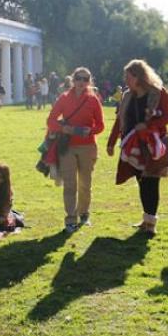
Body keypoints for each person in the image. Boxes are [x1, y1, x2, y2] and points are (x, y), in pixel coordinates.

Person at [107, 59, 168, 238]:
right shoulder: (128, 95)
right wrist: (111, 142)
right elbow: (119, 119)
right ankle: (146, 219)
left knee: (151, 182)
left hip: (152, 144)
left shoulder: (158, 93)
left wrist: (148, 125)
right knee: (141, 181)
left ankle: (151, 223)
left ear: (139, 76)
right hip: (132, 145)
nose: (126, 79)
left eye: (128, 76)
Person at [46, 67, 105, 233]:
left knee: (85, 184)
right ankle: (70, 219)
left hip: (87, 146)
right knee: (70, 184)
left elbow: (100, 126)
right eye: (78, 78)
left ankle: (84, 214)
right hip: (68, 146)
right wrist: (65, 129)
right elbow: (50, 121)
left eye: (85, 79)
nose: (81, 82)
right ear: (73, 79)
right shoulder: (64, 98)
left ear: (89, 82)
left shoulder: (93, 100)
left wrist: (90, 131)